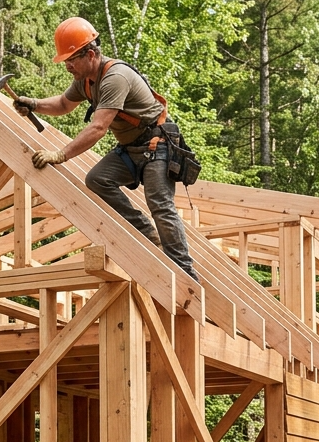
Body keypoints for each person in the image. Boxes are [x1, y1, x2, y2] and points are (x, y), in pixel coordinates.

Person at [14, 16, 199, 282]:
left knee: (160, 203)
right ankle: (147, 234)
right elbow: (64, 105)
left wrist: (61, 154)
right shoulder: (85, 80)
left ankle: (184, 271)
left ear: (90, 54)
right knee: (98, 179)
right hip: (131, 149)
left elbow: (98, 128)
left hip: (156, 146)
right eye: (65, 61)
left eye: (71, 60)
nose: (67, 66)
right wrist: (33, 104)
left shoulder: (115, 77)